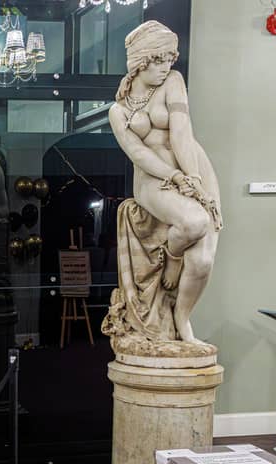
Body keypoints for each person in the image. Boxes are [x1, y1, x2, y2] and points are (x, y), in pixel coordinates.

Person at [106, 21, 222, 346]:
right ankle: (172, 256)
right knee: (195, 221)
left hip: (194, 166)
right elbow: (138, 154)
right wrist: (175, 177)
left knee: (203, 260)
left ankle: (183, 321)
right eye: (158, 60)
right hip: (153, 180)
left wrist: (193, 178)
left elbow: (182, 132)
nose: (165, 67)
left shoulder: (173, 81)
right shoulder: (118, 111)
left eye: (170, 59)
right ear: (139, 61)